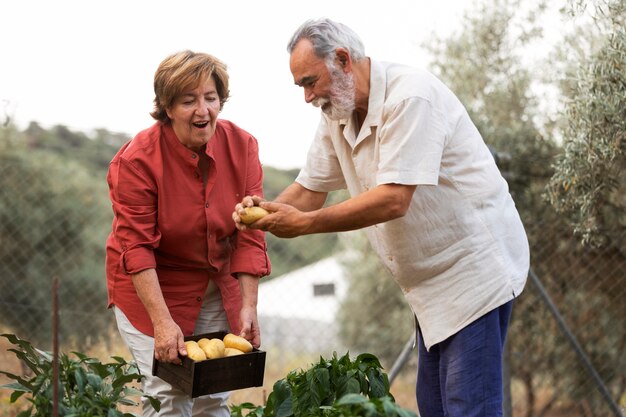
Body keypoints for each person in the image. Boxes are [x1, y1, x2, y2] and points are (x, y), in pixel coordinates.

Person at [234, 18, 529, 417]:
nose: (306, 97)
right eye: (301, 86)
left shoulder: (410, 98)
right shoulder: (336, 112)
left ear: (342, 59)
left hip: (472, 272)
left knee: (468, 408)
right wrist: (262, 214)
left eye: (309, 81)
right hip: (429, 287)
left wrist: (305, 225)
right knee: (435, 407)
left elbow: (393, 200)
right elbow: (308, 190)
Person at [106, 50, 271, 417]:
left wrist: (248, 306)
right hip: (152, 288)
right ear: (167, 106)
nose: (203, 111)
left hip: (214, 283)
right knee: (168, 395)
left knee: (213, 392)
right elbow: (136, 249)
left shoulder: (243, 147)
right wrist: (163, 323)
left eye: (210, 98)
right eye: (188, 100)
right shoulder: (136, 161)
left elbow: (249, 233)